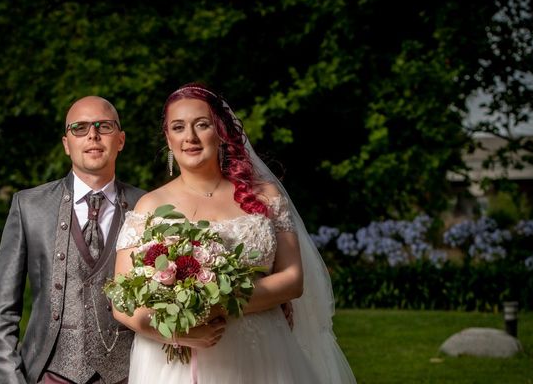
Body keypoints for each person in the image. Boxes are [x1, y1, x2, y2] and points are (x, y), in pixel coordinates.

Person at [113, 83, 356, 383]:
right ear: (168, 138)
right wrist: (180, 333)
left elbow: (293, 280)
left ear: (220, 132)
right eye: (178, 127)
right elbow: (122, 304)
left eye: (202, 125)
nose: (189, 137)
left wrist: (213, 305)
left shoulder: (265, 196)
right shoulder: (150, 206)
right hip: (181, 359)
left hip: (264, 350)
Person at [0, 96, 146, 384]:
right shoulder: (29, 206)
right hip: (49, 374)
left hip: (130, 374)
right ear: (65, 144)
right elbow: (2, 308)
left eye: (104, 126)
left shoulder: (146, 206)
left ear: (120, 140)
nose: (93, 135)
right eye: (80, 128)